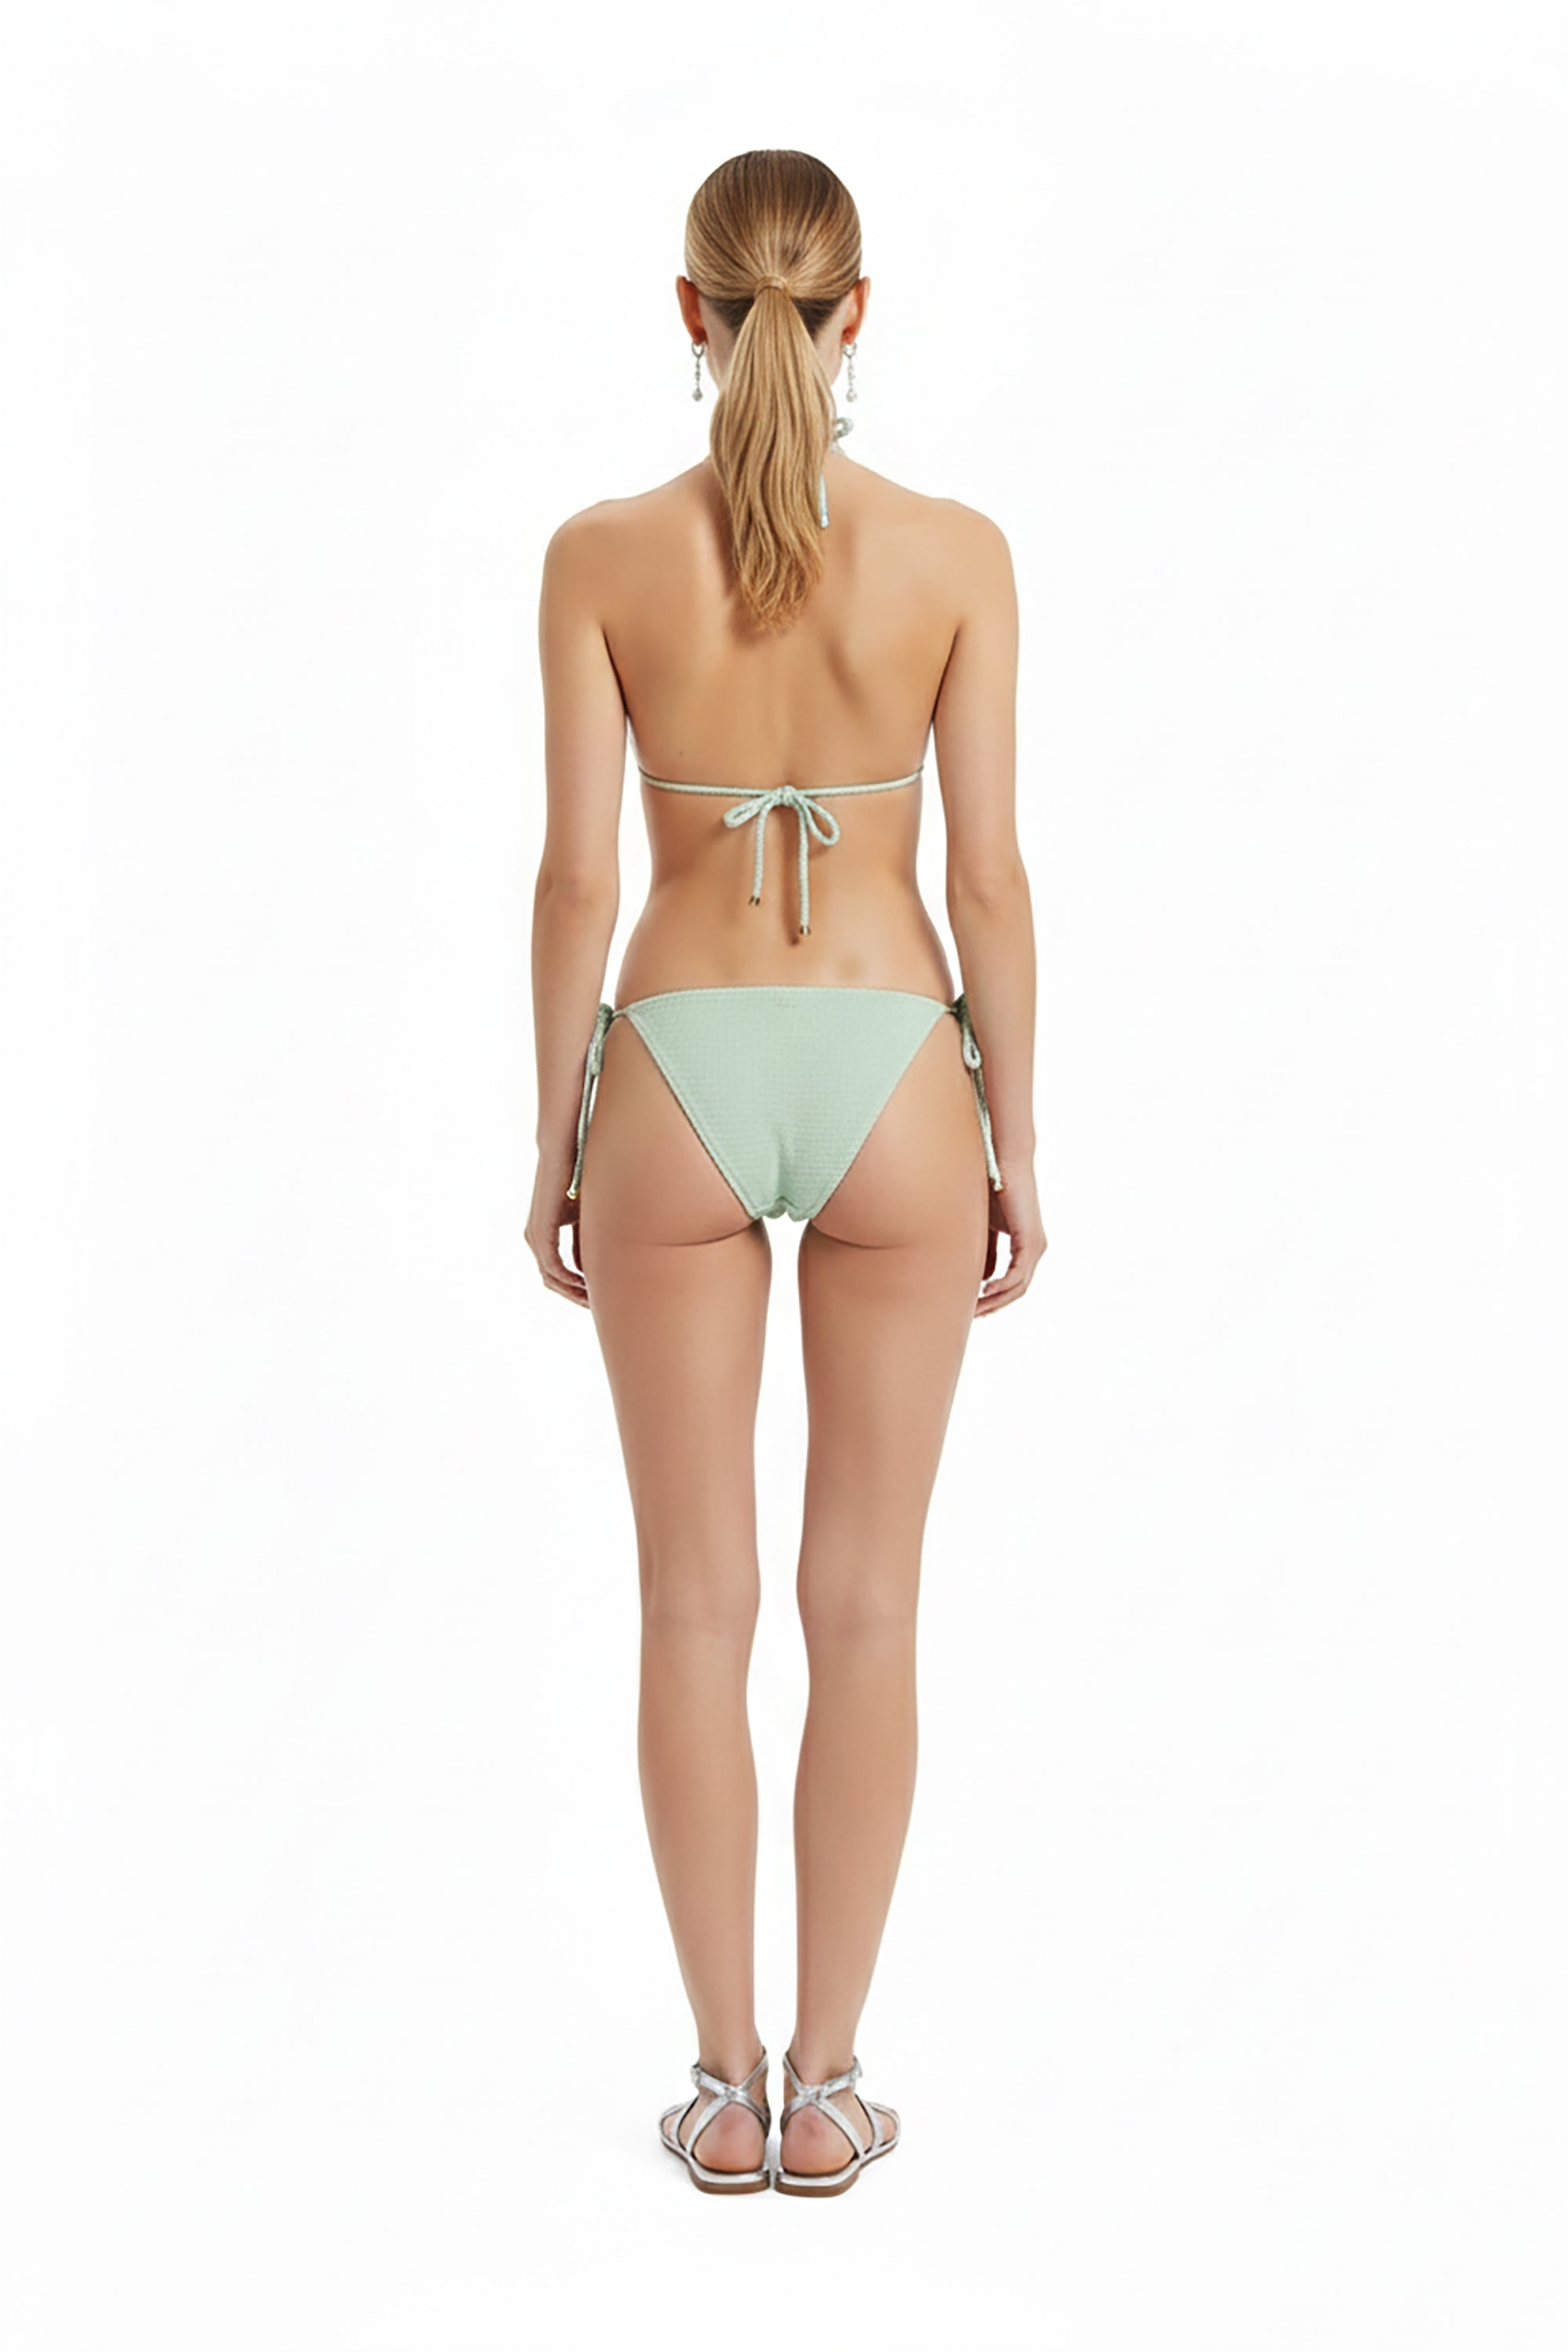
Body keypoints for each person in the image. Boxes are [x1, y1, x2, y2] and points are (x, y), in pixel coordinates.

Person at [526, 148, 1046, 2197]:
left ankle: (717, 2083)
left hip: (672, 1061)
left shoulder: (596, 557)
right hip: (896, 1062)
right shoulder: (957, 555)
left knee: (692, 1603)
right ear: (855, 316)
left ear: (690, 312)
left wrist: (550, 1133)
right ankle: (825, 2090)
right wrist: (1020, 1139)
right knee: (869, 1603)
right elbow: (988, 884)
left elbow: (578, 880)